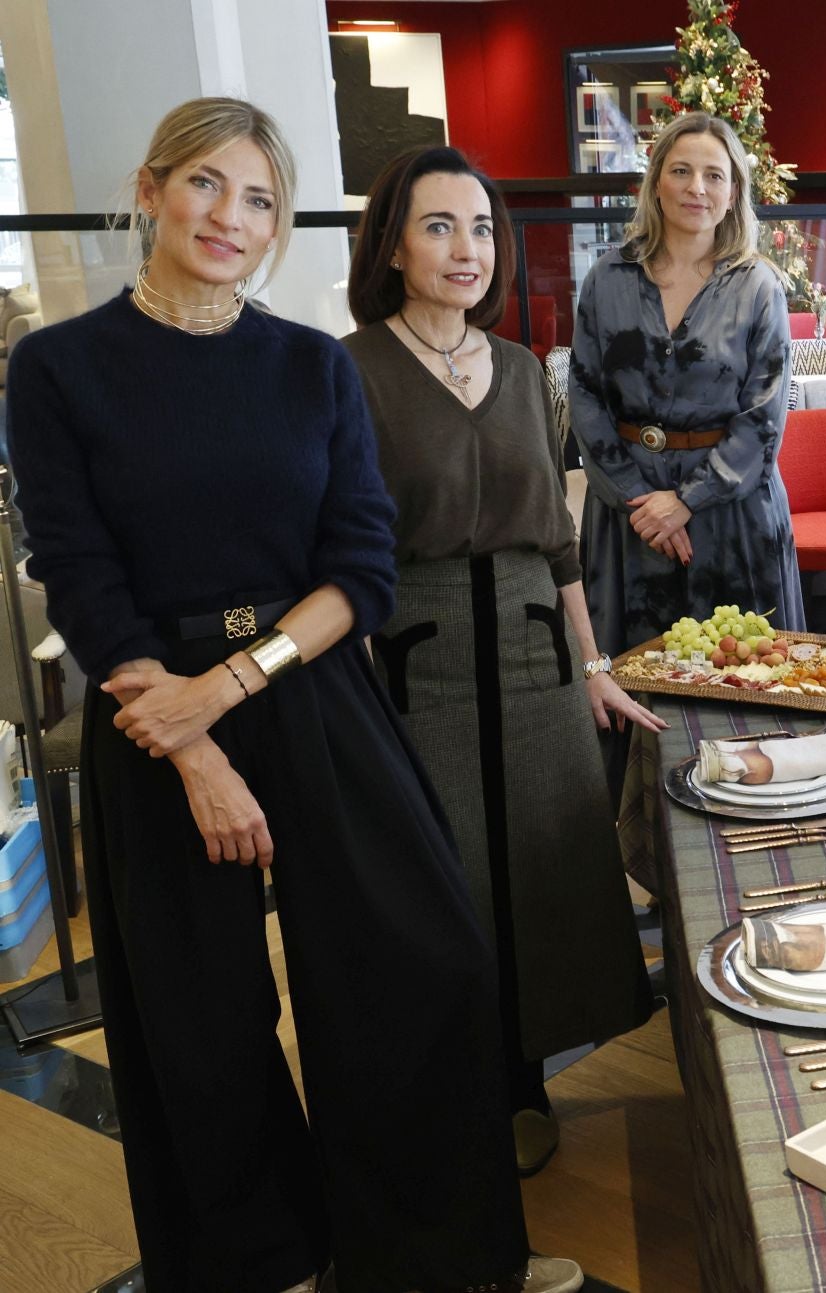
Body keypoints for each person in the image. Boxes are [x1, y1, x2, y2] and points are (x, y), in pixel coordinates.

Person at [7, 99, 578, 1293]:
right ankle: (260, 1262)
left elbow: (360, 569)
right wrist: (196, 745)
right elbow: (80, 568)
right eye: (208, 186)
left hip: (304, 684)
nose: (232, 217)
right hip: (145, 707)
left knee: (423, 961)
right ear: (153, 187)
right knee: (195, 1019)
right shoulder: (56, 367)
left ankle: (431, 1253)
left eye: (260, 199)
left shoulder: (308, 364)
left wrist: (229, 688)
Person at [342, 145, 659, 1180]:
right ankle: (452, 1090)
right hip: (417, 654)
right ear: (392, 246)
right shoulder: (351, 370)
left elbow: (559, 543)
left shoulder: (523, 368)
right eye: (438, 227)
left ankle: (524, 1083)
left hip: (534, 653)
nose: (465, 249)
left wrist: (595, 661)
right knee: (445, 878)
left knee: (545, 869)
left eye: (480, 228)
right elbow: (340, 542)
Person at [570, 111, 802, 788]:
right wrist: (643, 502)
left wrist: (687, 500)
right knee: (635, 688)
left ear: (733, 193)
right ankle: (641, 859)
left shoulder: (757, 285)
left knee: (741, 682)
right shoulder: (607, 278)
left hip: (731, 520)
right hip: (628, 514)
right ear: (656, 183)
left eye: (714, 175)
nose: (696, 187)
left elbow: (765, 418)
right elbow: (584, 396)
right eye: (681, 170)